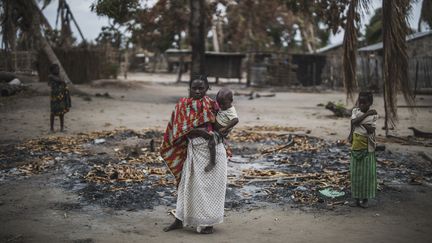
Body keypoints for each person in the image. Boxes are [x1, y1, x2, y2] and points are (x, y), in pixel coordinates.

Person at [160, 76, 228, 234]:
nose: (197, 91)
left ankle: (209, 223)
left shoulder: (213, 105)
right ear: (189, 88)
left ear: (207, 89)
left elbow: (224, 126)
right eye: (194, 88)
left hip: (214, 150)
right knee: (187, 186)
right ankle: (179, 220)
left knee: (212, 188)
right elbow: (176, 130)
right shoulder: (182, 106)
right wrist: (196, 131)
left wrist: (213, 133)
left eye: (201, 88)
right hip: (193, 150)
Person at [348, 91, 378, 208]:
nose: (361, 105)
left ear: (370, 103)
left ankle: (365, 200)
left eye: (364, 103)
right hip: (355, 146)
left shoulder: (374, 115)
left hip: (367, 149)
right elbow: (353, 122)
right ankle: (356, 200)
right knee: (355, 175)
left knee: (366, 176)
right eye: (360, 102)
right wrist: (351, 133)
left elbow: (371, 130)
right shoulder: (356, 111)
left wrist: (360, 121)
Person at [203, 87, 239, 172]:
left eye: (224, 104)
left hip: (220, 132)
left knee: (211, 144)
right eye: (220, 104)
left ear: (231, 101)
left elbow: (235, 120)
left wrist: (225, 128)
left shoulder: (231, 111)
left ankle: (212, 162)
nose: (221, 106)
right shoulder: (222, 106)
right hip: (215, 127)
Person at [48, 64, 71, 132]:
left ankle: (62, 128)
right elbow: (59, 81)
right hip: (54, 97)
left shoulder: (59, 76)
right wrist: (64, 81)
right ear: (52, 70)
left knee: (62, 112)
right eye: (56, 69)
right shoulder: (51, 76)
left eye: (58, 68)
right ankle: (51, 128)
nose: (57, 70)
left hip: (61, 96)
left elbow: (62, 82)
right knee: (53, 112)